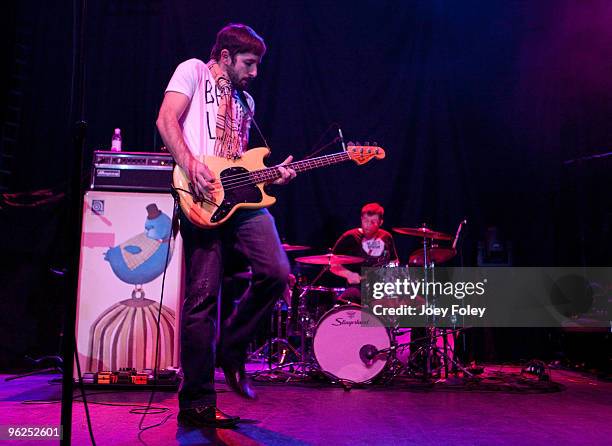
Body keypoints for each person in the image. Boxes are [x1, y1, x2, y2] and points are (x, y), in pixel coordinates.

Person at [156, 23, 296, 428]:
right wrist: (191, 164)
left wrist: (273, 175)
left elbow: (238, 164)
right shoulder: (193, 71)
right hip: (198, 195)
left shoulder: (246, 101)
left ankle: (232, 349)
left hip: (238, 199)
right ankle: (197, 402)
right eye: (249, 63)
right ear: (225, 57)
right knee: (202, 299)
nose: (254, 73)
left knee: (276, 271)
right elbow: (167, 120)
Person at [330, 202, 399, 304]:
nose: (368, 225)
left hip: (382, 288)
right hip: (359, 288)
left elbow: (394, 261)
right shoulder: (350, 237)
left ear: (381, 222)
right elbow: (332, 264)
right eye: (365, 220)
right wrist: (348, 274)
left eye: (373, 222)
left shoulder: (386, 237)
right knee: (349, 297)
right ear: (361, 219)